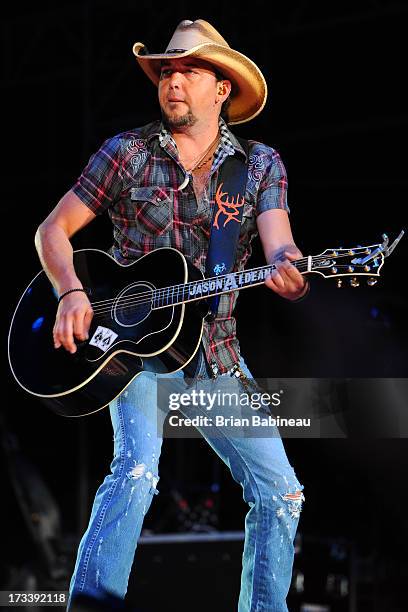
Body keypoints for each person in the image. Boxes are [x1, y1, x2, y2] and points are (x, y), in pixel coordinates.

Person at [35, 19, 307, 612]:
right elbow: (52, 230)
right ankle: (91, 605)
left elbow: (278, 243)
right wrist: (70, 291)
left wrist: (289, 266)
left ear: (222, 88)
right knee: (137, 471)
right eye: (166, 69)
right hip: (136, 351)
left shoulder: (258, 166)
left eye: (188, 68)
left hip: (216, 355)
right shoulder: (127, 152)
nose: (173, 78)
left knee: (282, 493)